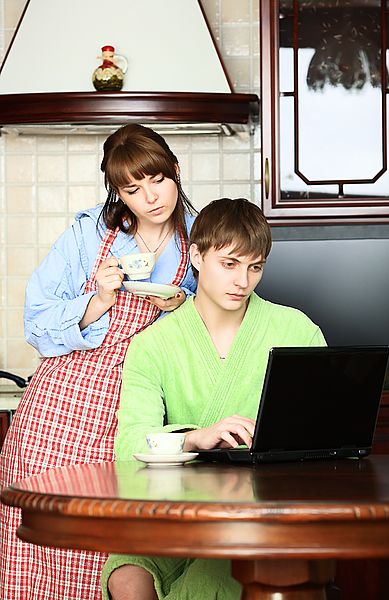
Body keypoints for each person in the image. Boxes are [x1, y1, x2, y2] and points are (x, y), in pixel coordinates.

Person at [0, 124, 197, 600]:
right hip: (59, 406)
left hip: (137, 408)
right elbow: (37, 321)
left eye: (157, 180)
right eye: (133, 188)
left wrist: (183, 308)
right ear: (118, 192)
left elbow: (220, 319)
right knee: (44, 534)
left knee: (111, 544)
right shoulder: (90, 232)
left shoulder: (199, 237)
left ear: (175, 170)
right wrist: (100, 298)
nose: (151, 197)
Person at [101, 198, 327, 600]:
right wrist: (192, 438)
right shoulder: (152, 345)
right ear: (197, 256)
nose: (243, 281)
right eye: (229, 264)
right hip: (172, 516)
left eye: (254, 267)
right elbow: (127, 447)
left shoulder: (298, 330)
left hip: (260, 518)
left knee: (215, 579)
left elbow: (325, 440)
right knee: (127, 574)